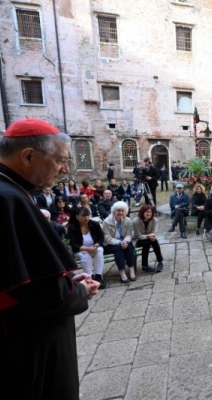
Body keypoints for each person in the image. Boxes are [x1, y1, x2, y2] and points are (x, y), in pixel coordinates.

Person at [0, 118, 98, 399]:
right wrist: (78, 290)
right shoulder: (9, 199)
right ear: (28, 155)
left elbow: (31, 272)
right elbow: (42, 293)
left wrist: (63, 278)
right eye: (60, 160)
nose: (65, 169)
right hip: (25, 341)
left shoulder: (14, 192)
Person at [67, 207, 106, 288]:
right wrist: (87, 249)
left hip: (94, 246)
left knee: (99, 251)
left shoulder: (94, 224)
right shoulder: (72, 228)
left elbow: (101, 238)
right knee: (85, 256)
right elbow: (74, 244)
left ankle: (98, 276)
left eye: (88, 215)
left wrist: (95, 245)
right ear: (77, 217)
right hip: (81, 249)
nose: (86, 218)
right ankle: (90, 277)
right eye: (84, 216)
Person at [102, 201, 136, 283]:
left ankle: (131, 270)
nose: (121, 213)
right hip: (110, 244)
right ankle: (122, 273)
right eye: (118, 210)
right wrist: (119, 242)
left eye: (122, 211)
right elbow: (107, 238)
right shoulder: (106, 222)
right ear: (114, 211)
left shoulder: (127, 220)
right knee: (118, 248)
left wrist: (125, 241)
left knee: (129, 245)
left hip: (123, 241)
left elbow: (130, 234)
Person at [132, 204, 164, 273]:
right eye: (146, 212)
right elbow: (138, 235)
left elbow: (153, 231)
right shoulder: (136, 221)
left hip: (148, 238)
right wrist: (149, 236)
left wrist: (153, 236)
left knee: (154, 241)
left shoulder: (154, 220)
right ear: (142, 212)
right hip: (138, 240)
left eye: (150, 212)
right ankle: (145, 266)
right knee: (147, 242)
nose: (148, 214)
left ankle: (160, 261)